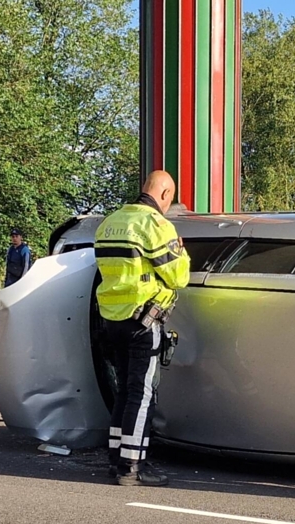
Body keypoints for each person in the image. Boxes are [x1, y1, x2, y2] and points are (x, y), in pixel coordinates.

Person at [96, 170, 190, 486]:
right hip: (143, 321)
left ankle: (116, 459)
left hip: (112, 319)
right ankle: (131, 467)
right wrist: (181, 251)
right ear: (164, 194)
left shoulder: (110, 222)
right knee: (142, 394)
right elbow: (178, 277)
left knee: (124, 390)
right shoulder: (156, 225)